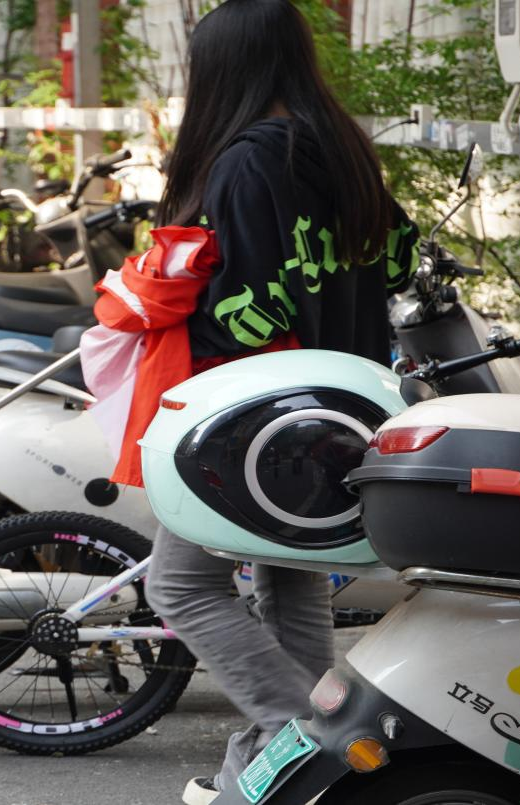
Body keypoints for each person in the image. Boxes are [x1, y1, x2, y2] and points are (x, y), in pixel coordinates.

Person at [135, 1, 416, 802]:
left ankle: (311, 739)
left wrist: (169, 287)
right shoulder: (343, 149)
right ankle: (280, 772)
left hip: (258, 421)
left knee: (179, 584)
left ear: (221, 71)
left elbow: (250, 312)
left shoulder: (246, 161)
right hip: (340, 407)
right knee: (289, 584)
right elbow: (400, 260)